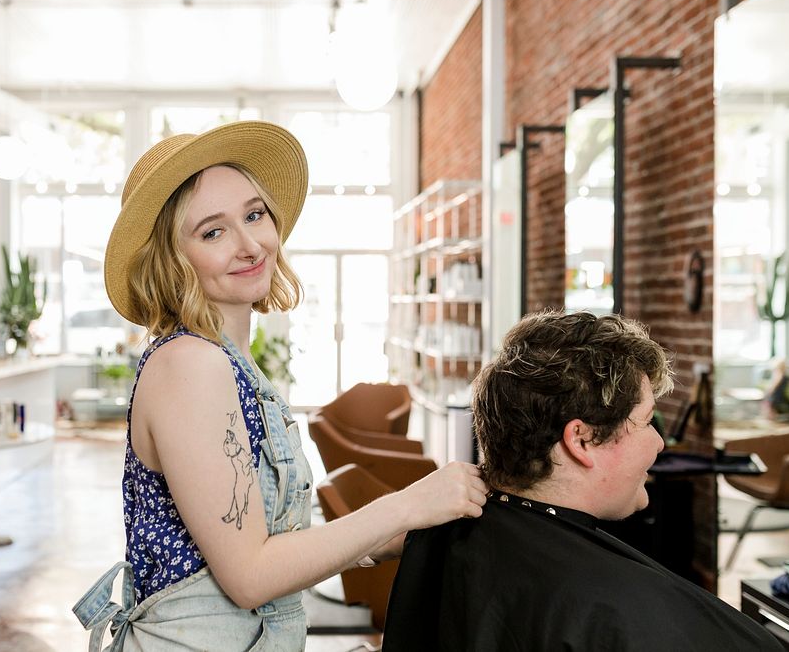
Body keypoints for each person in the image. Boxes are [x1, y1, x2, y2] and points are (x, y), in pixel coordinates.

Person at [73, 120, 488, 651]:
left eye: (254, 214)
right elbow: (250, 577)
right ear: (172, 260)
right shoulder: (190, 365)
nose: (250, 245)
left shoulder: (229, 359)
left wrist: (425, 522)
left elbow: (273, 546)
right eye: (213, 231)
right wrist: (408, 504)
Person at [383, 311, 782, 651]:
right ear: (581, 439)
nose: (659, 443)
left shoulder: (445, 537)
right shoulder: (612, 606)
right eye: (645, 423)